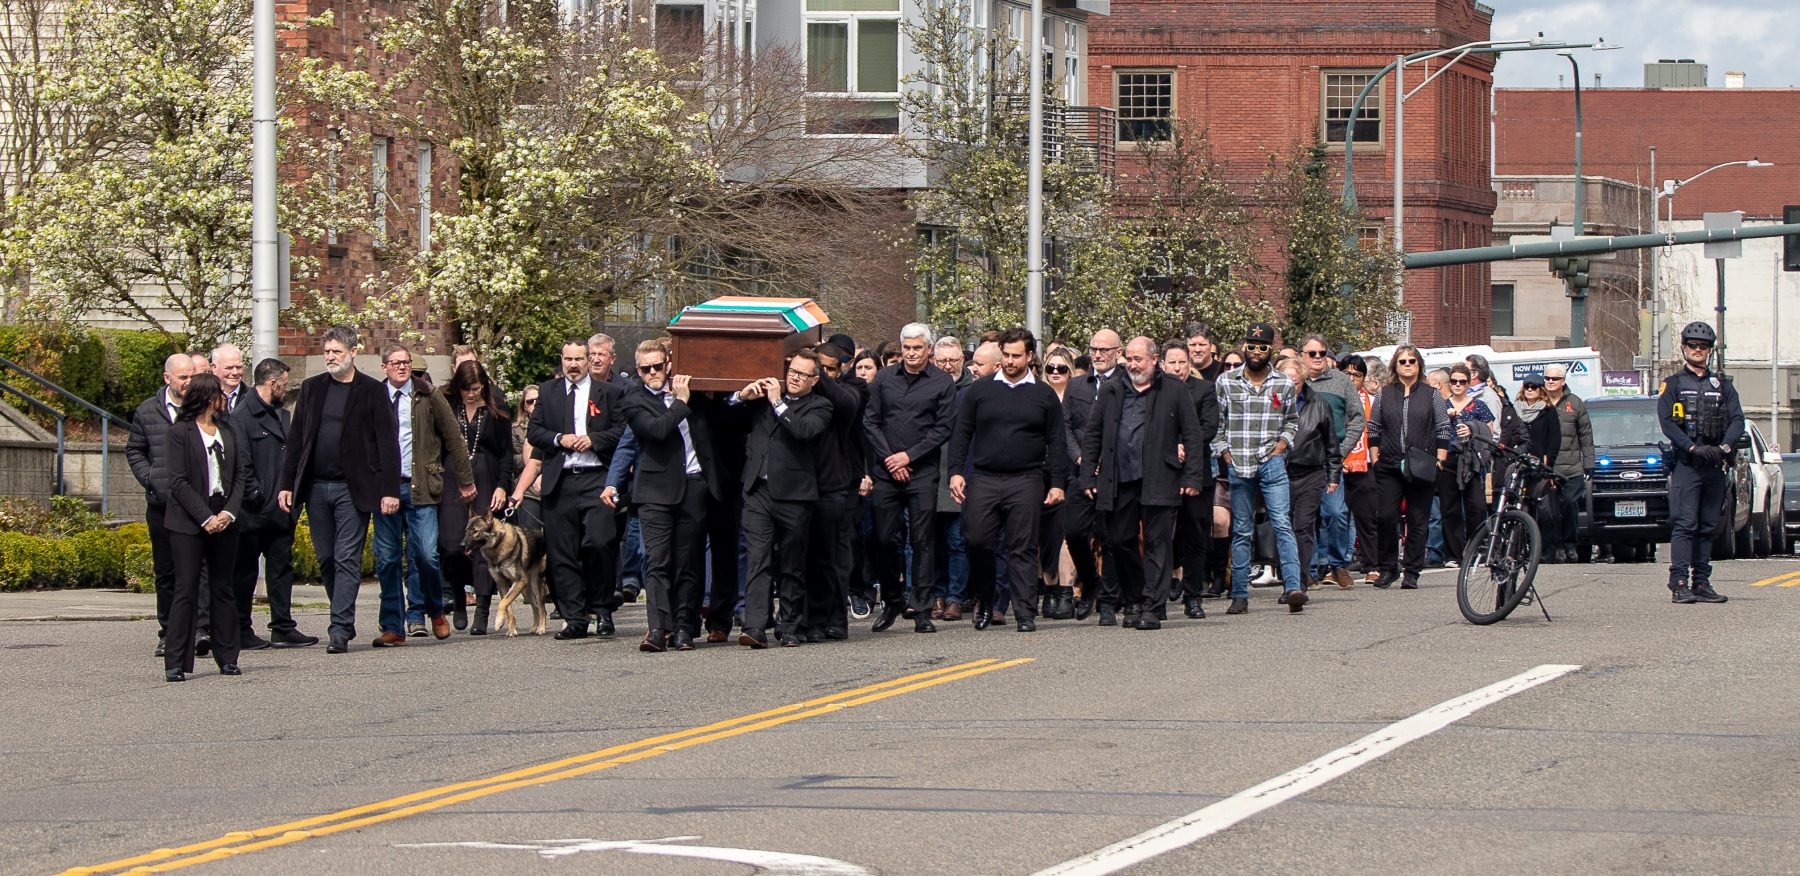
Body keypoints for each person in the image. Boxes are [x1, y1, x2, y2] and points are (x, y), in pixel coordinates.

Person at [277, 326, 404, 654]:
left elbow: (388, 443)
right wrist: (287, 484)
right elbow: (296, 441)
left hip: (353, 489)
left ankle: (339, 627)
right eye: (327, 351)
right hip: (316, 487)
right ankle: (342, 614)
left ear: (353, 352)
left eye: (337, 351)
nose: (330, 357)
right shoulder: (312, 388)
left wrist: (389, 490)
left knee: (347, 556)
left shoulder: (372, 390)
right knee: (327, 558)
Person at [1079, 336, 1205, 629]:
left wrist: (1192, 476)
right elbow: (1093, 433)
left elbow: (1192, 434)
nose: (1134, 365)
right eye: (1130, 359)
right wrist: (1087, 475)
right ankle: (1134, 599)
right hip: (1119, 479)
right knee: (1120, 541)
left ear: (1154, 360)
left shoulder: (1174, 389)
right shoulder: (1111, 389)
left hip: (1160, 477)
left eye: (1139, 359)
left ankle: (1153, 607)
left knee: (1158, 544)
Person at [948, 328, 1067, 632]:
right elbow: (961, 433)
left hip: (1026, 478)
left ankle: (1025, 612)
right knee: (976, 539)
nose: (1010, 361)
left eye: (1016, 355)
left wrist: (1057, 483)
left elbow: (1057, 441)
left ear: (1030, 356)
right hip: (984, 477)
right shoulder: (980, 390)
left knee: (1022, 547)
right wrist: (956, 471)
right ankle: (985, 599)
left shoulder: (1043, 394)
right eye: (1006, 355)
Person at [609, 339, 723, 652]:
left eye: (657, 366)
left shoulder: (691, 391)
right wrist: (680, 402)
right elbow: (657, 430)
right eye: (645, 369)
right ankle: (659, 629)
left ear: (668, 364)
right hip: (654, 492)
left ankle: (684, 628)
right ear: (638, 370)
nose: (652, 373)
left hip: (693, 485)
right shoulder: (633, 400)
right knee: (657, 562)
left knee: (688, 562)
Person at [733, 350, 834, 647]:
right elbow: (729, 422)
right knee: (758, 559)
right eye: (792, 371)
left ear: (814, 380)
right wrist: (741, 397)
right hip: (757, 490)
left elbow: (803, 431)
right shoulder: (763, 399)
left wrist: (778, 402)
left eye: (802, 374)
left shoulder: (820, 406)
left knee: (792, 561)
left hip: (794, 495)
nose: (794, 378)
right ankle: (754, 625)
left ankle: (790, 625)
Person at [375, 343, 475, 642]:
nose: (402, 367)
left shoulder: (428, 395)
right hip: (386, 490)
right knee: (387, 559)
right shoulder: (374, 396)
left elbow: (454, 437)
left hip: (421, 487)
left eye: (405, 362)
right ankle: (393, 626)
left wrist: (465, 480)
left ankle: (433, 609)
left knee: (427, 555)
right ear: (384, 367)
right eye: (395, 363)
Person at [862, 323, 958, 634]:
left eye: (918, 348)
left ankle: (922, 607)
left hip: (922, 471)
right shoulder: (884, 378)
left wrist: (909, 457)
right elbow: (870, 422)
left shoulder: (942, 382)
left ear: (929, 350)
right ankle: (892, 599)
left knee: (922, 540)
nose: (912, 353)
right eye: (907, 348)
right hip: (886, 470)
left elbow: (943, 428)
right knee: (883, 538)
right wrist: (892, 460)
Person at [532, 338, 627, 640]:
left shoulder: (609, 393)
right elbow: (534, 431)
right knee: (563, 551)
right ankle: (575, 618)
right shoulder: (547, 391)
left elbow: (623, 430)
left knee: (600, 543)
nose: (573, 365)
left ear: (588, 361)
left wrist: (594, 440)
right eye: (568, 359)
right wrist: (559, 438)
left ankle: (602, 609)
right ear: (562, 360)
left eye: (579, 359)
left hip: (597, 478)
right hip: (560, 480)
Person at [1212, 325, 1307, 614]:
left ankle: (1293, 588)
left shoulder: (1283, 383)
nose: (1256, 352)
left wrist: (1281, 446)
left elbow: (1291, 420)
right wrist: (1225, 454)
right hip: (1238, 463)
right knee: (1242, 529)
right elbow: (1216, 425)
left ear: (1271, 350)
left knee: (1282, 524)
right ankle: (1240, 594)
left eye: (1262, 347)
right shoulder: (1226, 381)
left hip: (1271, 462)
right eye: (1251, 346)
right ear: (1244, 347)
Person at [161, 373, 248, 681]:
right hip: (189, 518)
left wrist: (228, 512)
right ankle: (176, 661)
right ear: (207, 397)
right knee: (186, 588)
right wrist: (204, 517)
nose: (224, 397)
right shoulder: (180, 432)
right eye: (219, 393)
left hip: (223, 513)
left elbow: (239, 475)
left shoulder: (226, 429)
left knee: (223, 587)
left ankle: (228, 657)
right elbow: (178, 481)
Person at [229, 357, 316, 649]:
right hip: (253, 511)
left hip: (281, 509)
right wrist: (257, 495)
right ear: (272, 383)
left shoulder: (282, 414)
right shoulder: (241, 416)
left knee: (280, 570)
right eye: (284, 384)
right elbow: (242, 464)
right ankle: (241, 629)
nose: (287, 388)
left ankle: (282, 626)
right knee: (245, 573)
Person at [1659, 321, 1743, 605]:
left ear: (1710, 350)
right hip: (1687, 464)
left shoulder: (1723, 385)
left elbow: (1737, 419)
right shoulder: (1673, 384)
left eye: (1703, 346)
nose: (1698, 350)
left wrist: (1724, 447)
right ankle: (1679, 583)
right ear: (1684, 347)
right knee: (1685, 524)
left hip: (1714, 464)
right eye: (1693, 345)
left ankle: (1701, 582)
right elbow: (1667, 422)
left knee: (1707, 525)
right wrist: (1691, 447)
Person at [1363, 345, 1451, 590]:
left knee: (1418, 518)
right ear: (1395, 365)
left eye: (1412, 361)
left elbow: (1443, 427)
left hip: (1422, 464)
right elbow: (1374, 427)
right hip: (1389, 464)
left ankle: (1412, 571)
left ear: (1419, 364)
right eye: (1403, 361)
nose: (1408, 365)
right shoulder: (1385, 394)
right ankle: (1388, 568)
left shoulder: (1431, 394)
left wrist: (1440, 459)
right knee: (1386, 517)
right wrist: (1375, 458)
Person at [128, 353, 196, 658]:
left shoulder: (203, 409)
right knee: (166, 572)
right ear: (167, 378)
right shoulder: (147, 411)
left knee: (198, 571)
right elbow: (135, 450)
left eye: (192, 375)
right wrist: (151, 478)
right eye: (183, 377)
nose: (189, 382)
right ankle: (168, 632)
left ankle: (199, 629)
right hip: (162, 505)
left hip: (197, 505)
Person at [439, 361, 514, 635]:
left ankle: (482, 608)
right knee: (451, 545)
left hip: (487, 476)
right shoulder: (448, 407)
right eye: (465, 389)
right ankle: (458, 595)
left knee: (483, 545)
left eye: (475, 388)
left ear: (483, 385)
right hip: (452, 477)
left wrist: (502, 486)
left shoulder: (496, 410)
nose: (470, 394)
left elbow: (506, 453)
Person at [803, 337, 869, 641]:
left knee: (837, 552)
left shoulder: (855, 387)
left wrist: (814, 373)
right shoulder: (803, 389)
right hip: (808, 478)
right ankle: (809, 618)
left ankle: (835, 619)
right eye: (821, 368)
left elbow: (844, 402)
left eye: (830, 369)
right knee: (808, 551)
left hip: (843, 478)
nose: (825, 374)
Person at [1299, 334, 1363, 589]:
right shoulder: (1294, 381)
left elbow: (1358, 418)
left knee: (1336, 513)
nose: (1318, 358)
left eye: (1322, 353)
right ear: (1301, 355)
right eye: (1312, 353)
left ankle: (1339, 565)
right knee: (1306, 516)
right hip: (1302, 460)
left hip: (1330, 460)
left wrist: (1342, 450)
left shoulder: (1341, 381)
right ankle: (1309, 568)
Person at [1163, 341, 1220, 618]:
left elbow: (1209, 426)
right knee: (1162, 536)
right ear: (1162, 365)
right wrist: (1170, 446)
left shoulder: (1204, 390)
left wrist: (1184, 443)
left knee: (1195, 536)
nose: (1177, 368)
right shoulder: (1155, 391)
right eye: (1172, 363)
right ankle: (1159, 593)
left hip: (1197, 472)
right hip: (1164, 472)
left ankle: (1193, 596)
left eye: (1182, 362)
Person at [1276, 356, 1341, 596]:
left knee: (1302, 528)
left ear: (1303, 381)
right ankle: (1287, 580)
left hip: (1310, 474)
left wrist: (1333, 475)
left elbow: (1331, 442)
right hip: (1279, 474)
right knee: (1282, 528)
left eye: (1294, 382)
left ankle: (1299, 585)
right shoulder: (1271, 403)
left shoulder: (1319, 404)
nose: (1289, 387)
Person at [1038, 346, 1085, 618]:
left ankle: (1066, 592)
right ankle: (1049, 590)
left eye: (1061, 368)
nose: (1055, 372)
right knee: (1043, 535)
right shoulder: (1038, 396)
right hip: (1040, 470)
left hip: (1071, 470)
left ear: (1071, 370)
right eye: (1050, 368)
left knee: (1067, 532)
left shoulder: (1077, 398)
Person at [1438, 364, 1496, 564]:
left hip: (1471, 460)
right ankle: (1453, 555)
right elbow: (1432, 429)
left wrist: (1472, 429)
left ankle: (1475, 550)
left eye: (1462, 381)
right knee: (1449, 508)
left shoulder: (1479, 406)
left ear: (1469, 383)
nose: (1457, 385)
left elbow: (1489, 433)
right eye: (1454, 381)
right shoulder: (1442, 406)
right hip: (1448, 459)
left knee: (1476, 507)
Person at [1543, 363, 1595, 563]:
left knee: (1570, 504)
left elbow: (1585, 435)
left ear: (1563, 381)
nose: (1550, 382)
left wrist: (1589, 462)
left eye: (1555, 379)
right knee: (1550, 510)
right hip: (1547, 468)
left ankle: (1570, 544)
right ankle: (1552, 547)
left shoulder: (1575, 403)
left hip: (1571, 468)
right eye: (1547, 378)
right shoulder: (1540, 402)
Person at [1337, 354, 1378, 581]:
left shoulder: (1373, 401)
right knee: (1336, 519)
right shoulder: (1332, 399)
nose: (1352, 379)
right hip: (1337, 466)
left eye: (1357, 375)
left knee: (1367, 518)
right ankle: (1336, 566)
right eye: (1347, 374)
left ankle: (1373, 565)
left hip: (1366, 466)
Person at [212, 344, 249, 413]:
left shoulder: (252, 398)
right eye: (229, 368)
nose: (235, 372)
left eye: (239, 367)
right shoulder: (205, 399)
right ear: (214, 368)